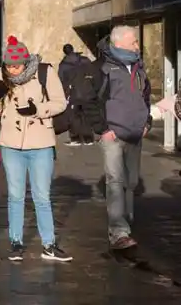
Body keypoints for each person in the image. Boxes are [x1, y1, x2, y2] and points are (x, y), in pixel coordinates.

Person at [0, 35, 71, 262]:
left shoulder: (45, 72)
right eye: (9, 66)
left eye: (16, 66)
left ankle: (49, 244)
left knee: (41, 196)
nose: (13, 70)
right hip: (11, 144)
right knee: (15, 196)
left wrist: (37, 109)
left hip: (41, 143)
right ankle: (16, 243)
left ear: (26, 62)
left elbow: (60, 102)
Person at [90, 26, 151, 251]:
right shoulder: (104, 68)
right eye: (134, 42)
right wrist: (103, 129)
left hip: (136, 134)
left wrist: (148, 123)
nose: (138, 46)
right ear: (120, 44)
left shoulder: (138, 66)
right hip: (113, 135)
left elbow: (146, 96)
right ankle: (119, 232)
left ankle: (127, 222)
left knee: (131, 182)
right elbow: (91, 101)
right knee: (115, 182)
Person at [58, 44, 95, 146]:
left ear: (64, 52)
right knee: (86, 115)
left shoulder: (64, 64)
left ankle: (76, 138)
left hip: (73, 93)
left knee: (73, 116)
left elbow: (61, 81)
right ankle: (88, 139)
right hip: (87, 91)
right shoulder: (84, 60)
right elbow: (93, 73)